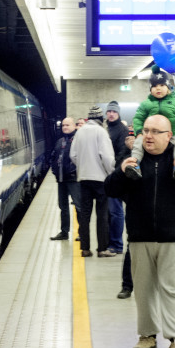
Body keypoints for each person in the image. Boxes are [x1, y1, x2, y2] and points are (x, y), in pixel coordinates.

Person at [105, 115, 175, 348]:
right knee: (144, 290)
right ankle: (147, 336)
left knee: (174, 290)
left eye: (156, 131)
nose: (149, 136)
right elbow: (110, 188)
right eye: (146, 130)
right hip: (139, 236)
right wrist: (122, 171)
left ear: (169, 135)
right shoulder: (134, 159)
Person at [127, 65, 175, 181]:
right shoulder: (146, 104)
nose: (158, 88)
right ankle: (134, 165)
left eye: (162, 85)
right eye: (155, 86)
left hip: (174, 134)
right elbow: (138, 118)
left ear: (168, 87)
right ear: (150, 89)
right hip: (151, 136)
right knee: (138, 143)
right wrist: (139, 132)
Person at [70, 105, 116, 257]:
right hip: (101, 180)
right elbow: (107, 157)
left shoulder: (80, 131)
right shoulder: (101, 132)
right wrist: (110, 173)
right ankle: (102, 249)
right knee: (102, 215)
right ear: (100, 119)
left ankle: (85, 248)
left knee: (84, 214)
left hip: (83, 179)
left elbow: (73, 155)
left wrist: (83, 166)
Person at [49, 117, 81, 241]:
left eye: (68, 125)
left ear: (74, 126)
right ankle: (64, 232)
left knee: (79, 207)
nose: (65, 127)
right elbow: (53, 157)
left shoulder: (78, 141)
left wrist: (74, 171)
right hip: (61, 179)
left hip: (74, 179)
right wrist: (54, 170)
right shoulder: (60, 141)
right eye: (63, 125)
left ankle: (82, 233)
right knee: (63, 206)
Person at [106, 101, 129, 255]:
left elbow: (122, 152)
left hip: (117, 174)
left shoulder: (122, 130)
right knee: (111, 211)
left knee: (116, 211)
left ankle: (117, 245)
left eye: (114, 112)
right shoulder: (107, 129)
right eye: (109, 112)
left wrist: (114, 169)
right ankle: (112, 243)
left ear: (118, 113)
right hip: (109, 174)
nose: (111, 114)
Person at [118, 131, 136, 299]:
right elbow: (114, 183)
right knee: (132, 248)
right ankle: (127, 285)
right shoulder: (127, 153)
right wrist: (129, 151)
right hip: (136, 209)